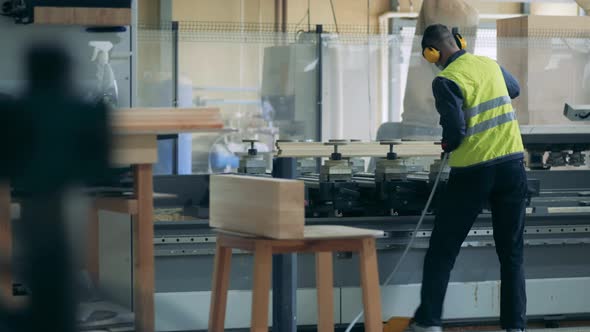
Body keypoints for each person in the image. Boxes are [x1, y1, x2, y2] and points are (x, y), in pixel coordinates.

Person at [411, 24, 528, 332]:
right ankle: (515, 326)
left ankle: (428, 321)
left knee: (443, 250)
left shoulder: (446, 79)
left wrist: (448, 144)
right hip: (513, 165)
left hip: (474, 171)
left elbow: (455, 130)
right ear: (459, 41)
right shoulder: (488, 64)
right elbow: (513, 89)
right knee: (512, 253)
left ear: (432, 53)